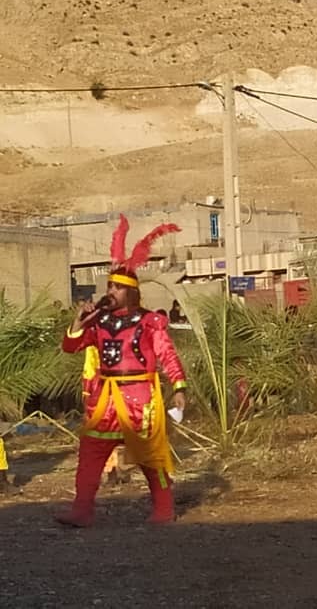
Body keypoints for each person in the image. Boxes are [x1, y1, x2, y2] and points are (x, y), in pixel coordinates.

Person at [58, 215, 186, 527]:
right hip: (105, 398)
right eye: (110, 285)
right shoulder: (98, 322)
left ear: (131, 292)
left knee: (150, 455)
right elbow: (70, 346)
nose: (111, 290)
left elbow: (166, 354)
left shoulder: (148, 322)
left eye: (118, 287)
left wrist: (179, 388)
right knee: (91, 452)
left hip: (140, 398)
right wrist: (79, 321)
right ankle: (82, 510)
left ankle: (164, 509)